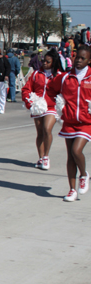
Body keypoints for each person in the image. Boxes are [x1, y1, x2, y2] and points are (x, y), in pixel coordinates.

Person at [46, 44, 91, 202]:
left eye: (82, 58)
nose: (78, 60)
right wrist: (59, 106)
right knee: (70, 156)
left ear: (89, 60)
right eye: (76, 57)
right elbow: (50, 90)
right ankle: (72, 190)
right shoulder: (65, 77)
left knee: (76, 151)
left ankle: (84, 175)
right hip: (69, 121)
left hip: (87, 122)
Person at [22, 49, 62, 170]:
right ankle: (40, 158)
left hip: (52, 106)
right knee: (40, 132)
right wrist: (30, 102)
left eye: (47, 61)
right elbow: (26, 89)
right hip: (38, 106)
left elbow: (65, 91)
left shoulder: (60, 76)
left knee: (47, 129)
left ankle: (46, 157)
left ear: (54, 62)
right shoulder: (36, 74)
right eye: (43, 61)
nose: (44, 63)